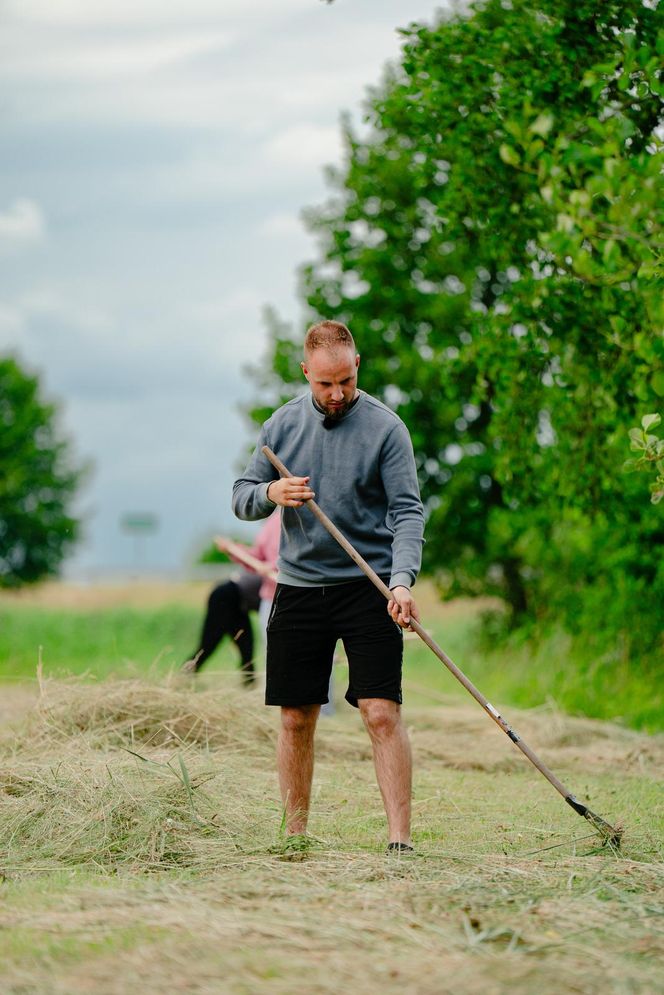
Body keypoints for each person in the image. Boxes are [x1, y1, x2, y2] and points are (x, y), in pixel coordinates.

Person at [232, 319, 424, 852]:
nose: (336, 394)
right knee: (296, 717)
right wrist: (272, 490)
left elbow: (407, 513)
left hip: (371, 587)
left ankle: (399, 842)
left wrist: (403, 583)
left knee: (381, 712)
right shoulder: (279, 428)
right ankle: (295, 838)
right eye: (324, 384)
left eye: (344, 380)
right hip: (298, 588)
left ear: (356, 365)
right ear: (305, 373)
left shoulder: (387, 429)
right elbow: (241, 496)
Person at [183, 512, 280, 683]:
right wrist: (232, 549)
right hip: (226, 597)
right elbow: (254, 557)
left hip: (241, 601)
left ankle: (249, 685)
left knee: (247, 652)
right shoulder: (272, 525)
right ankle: (184, 676)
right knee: (208, 644)